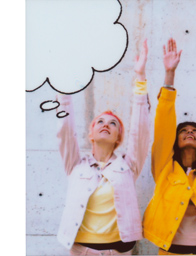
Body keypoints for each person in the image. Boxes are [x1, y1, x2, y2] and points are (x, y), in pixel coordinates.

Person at [56, 39, 150, 255]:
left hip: (119, 251)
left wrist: (140, 77)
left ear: (119, 137)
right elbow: (65, 129)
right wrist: (63, 81)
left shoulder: (129, 166)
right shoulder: (75, 165)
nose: (106, 124)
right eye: (100, 122)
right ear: (91, 134)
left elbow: (140, 130)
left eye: (113, 123)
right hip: (81, 250)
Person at [143, 38, 196, 255]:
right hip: (171, 251)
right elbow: (164, 124)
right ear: (175, 141)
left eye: (195, 131)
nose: (190, 132)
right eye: (183, 131)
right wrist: (169, 74)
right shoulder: (164, 168)